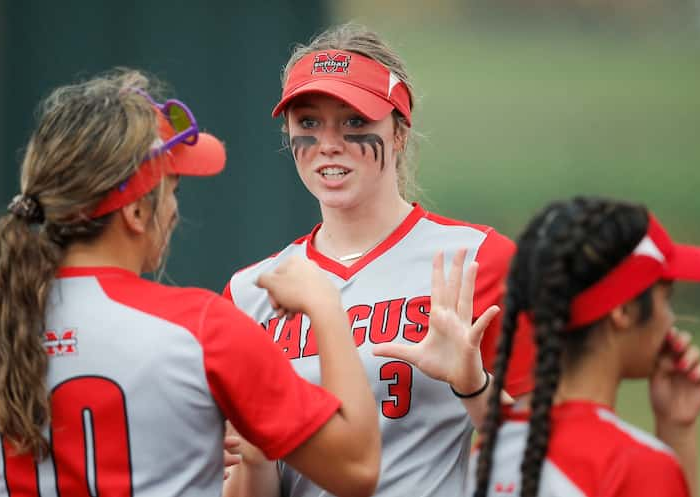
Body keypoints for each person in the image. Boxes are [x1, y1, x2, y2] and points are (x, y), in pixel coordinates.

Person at [0, 68, 381, 497]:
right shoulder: (201, 329)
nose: (174, 211)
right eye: (170, 190)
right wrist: (324, 304)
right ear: (136, 212)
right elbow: (356, 469)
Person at [222, 24, 535, 497]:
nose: (329, 143)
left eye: (354, 122)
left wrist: (474, 387)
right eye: (308, 123)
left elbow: (547, 454)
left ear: (400, 132)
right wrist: (255, 451)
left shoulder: (477, 260)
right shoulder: (251, 292)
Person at [379, 196, 700, 497]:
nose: (669, 320)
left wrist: (676, 424)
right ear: (621, 312)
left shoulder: (492, 453)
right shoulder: (635, 464)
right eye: (664, 298)